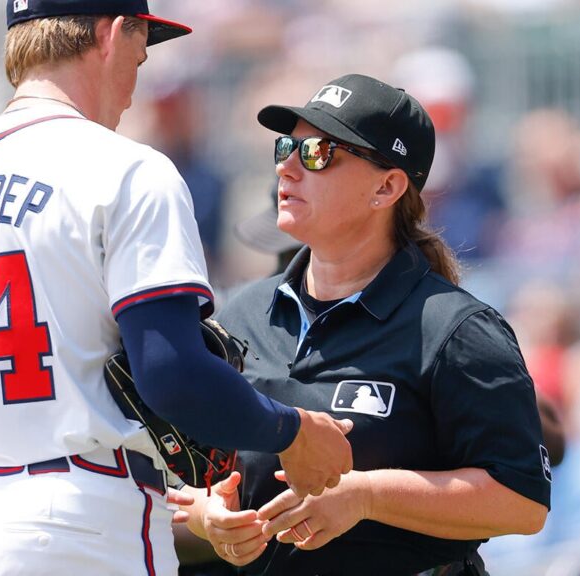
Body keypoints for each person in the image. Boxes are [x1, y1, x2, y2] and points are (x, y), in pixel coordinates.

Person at [0, 2, 353, 575]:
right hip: (78, 517)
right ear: (110, 36)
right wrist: (290, 430)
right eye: (139, 57)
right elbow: (171, 373)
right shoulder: (128, 170)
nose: (135, 87)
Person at [180, 74, 551, 576]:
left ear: (386, 186)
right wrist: (207, 517)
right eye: (286, 147)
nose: (287, 166)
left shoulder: (456, 329)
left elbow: (522, 502)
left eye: (318, 153)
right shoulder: (240, 313)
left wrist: (367, 496)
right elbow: (179, 474)